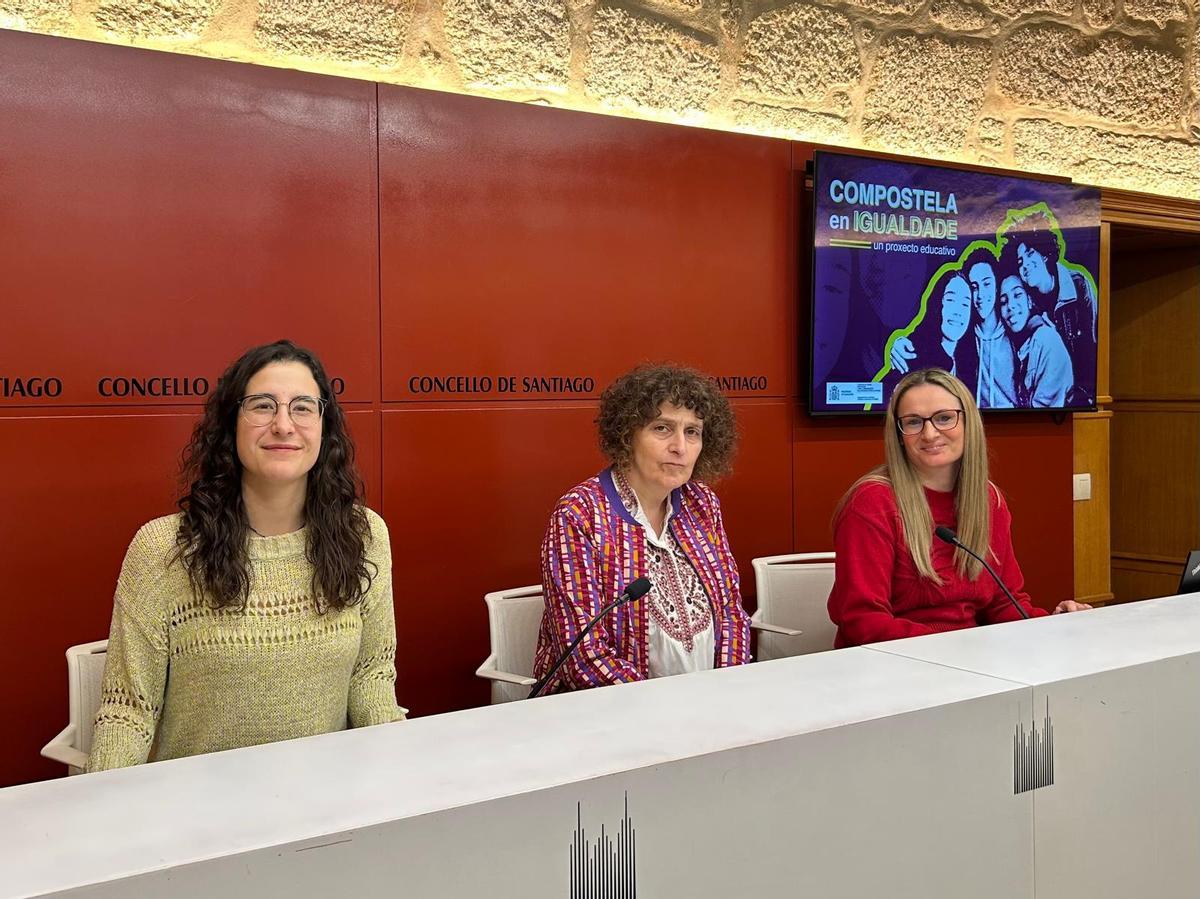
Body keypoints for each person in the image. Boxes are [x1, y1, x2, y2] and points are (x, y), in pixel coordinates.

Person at [87, 340, 404, 771]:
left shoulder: (364, 536)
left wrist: (395, 784)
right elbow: (129, 712)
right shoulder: (164, 550)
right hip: (196, 818)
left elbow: (371, 679)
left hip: (327, 807)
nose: (283, 425)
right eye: (262, 406)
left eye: (303, 407)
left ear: (324, 428)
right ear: (230, 423)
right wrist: (106, 813)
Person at [827, 368, 1089, 647]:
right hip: (894, 665)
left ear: (968, 424)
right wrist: (957, 647)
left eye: (944, 418)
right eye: (914, 422)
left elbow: (1003, 604)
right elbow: (862, 621)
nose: (929, 433)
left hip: (969, 660)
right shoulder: (872, 503)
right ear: (899, 434)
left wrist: (1053, 623)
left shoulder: (988, 499)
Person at [531, 364, 751, 693]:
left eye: (693, 432)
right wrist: (667, 706)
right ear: (627, 435)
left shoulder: (701, 503)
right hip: (611, 717)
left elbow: (731, 611)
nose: (680, 447)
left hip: (712, 710)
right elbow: (584, 656)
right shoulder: (580, 514)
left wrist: (726, 689)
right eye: (663, 428)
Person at [1007, 211, 1098, 407]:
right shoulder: (1025, 301)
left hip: (1077, 397)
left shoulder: (1078, 286)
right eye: (1020, 261)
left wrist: (1083, 398)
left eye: (1030, 253)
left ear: (1046, 254)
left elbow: (1090, 348)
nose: (1025, 265)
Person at [998, 249, 1074, 408]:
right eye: (1003, 301)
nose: (1010, 306)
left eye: (1017, 295)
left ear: (1030, 300)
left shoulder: (1045, 340)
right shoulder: (1022, 346)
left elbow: (1045, 411)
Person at [883, 268, 975, 395]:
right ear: (937, 304)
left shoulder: (970, 360)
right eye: (950, 300)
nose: (957, 312)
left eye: (965, 304)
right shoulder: (910, 355)